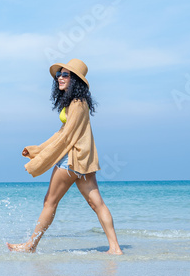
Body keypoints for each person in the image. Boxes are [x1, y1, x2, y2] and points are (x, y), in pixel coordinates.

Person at [7, 58, 123, 254]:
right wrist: (37, 150)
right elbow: (62, 132)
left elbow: (67, 136)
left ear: (75, 79)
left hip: (71, 160)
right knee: (97, 204)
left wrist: (41, 159)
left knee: (49, 202)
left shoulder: (77, 103)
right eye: (59, 74)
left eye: (65, 74)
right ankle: (115, 248)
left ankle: (30, 246)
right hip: (83, 161)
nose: (60, 77)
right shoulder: (77, 102)